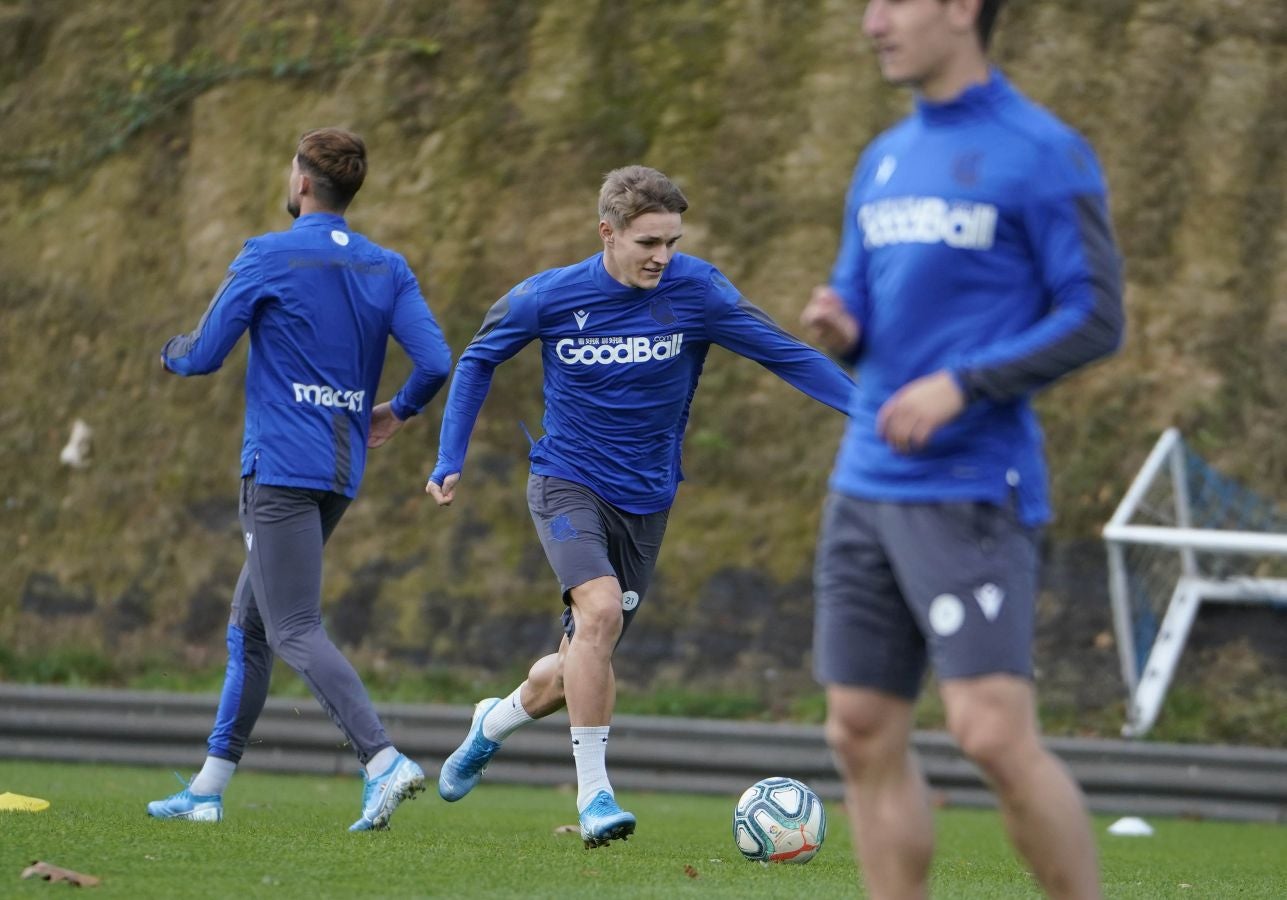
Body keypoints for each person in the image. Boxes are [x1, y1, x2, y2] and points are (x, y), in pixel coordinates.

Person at [426, 165, 853, 848]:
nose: (661, 256)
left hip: (648, 496)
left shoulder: (699, 293)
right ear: (608, 233)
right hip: (565, 479)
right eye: (648, 242)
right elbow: (477, 358)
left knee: (574, 665)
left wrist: (867, 413)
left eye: (671, 242)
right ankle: (595, 796)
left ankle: (493, 723)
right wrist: (450, 456)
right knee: (596, 612)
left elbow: (787, 355)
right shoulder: (549, 297)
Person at [801, 1, 1124, 897]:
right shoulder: (883, 158)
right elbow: (865, 314)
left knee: (987, 732)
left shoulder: (1041, 151)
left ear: (958, 8)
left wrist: (964, 383)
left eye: (892, 3)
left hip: (972, 482)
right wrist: (843, 328)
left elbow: (1095, 316)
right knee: (858, 727)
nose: (871, 23)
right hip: (863, 479)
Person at [148, 127, 453, 831]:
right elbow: (435, 360)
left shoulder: (268, 255)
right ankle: (207, 787)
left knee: (290, 627)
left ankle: (383, 760)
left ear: (302, 181)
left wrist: (169, 353)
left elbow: (204, 357)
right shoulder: (388, 266)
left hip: (280, 469)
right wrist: (396, 412)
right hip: (340, 471)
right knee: (250, 628)